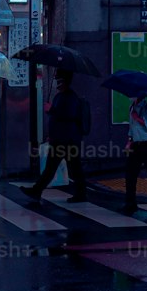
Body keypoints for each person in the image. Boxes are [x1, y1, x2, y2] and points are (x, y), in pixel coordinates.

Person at [20, 70, 89, 204]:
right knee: (65, 167)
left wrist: (51, 110)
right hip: (61, 139)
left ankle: (37, 190)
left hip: (67, 140)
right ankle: (38, 190)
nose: (57, 83)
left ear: (65, 82)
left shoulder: (70, 97)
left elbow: (69, 116)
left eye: (59, 81)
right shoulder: (60, 96)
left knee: (66, 168)